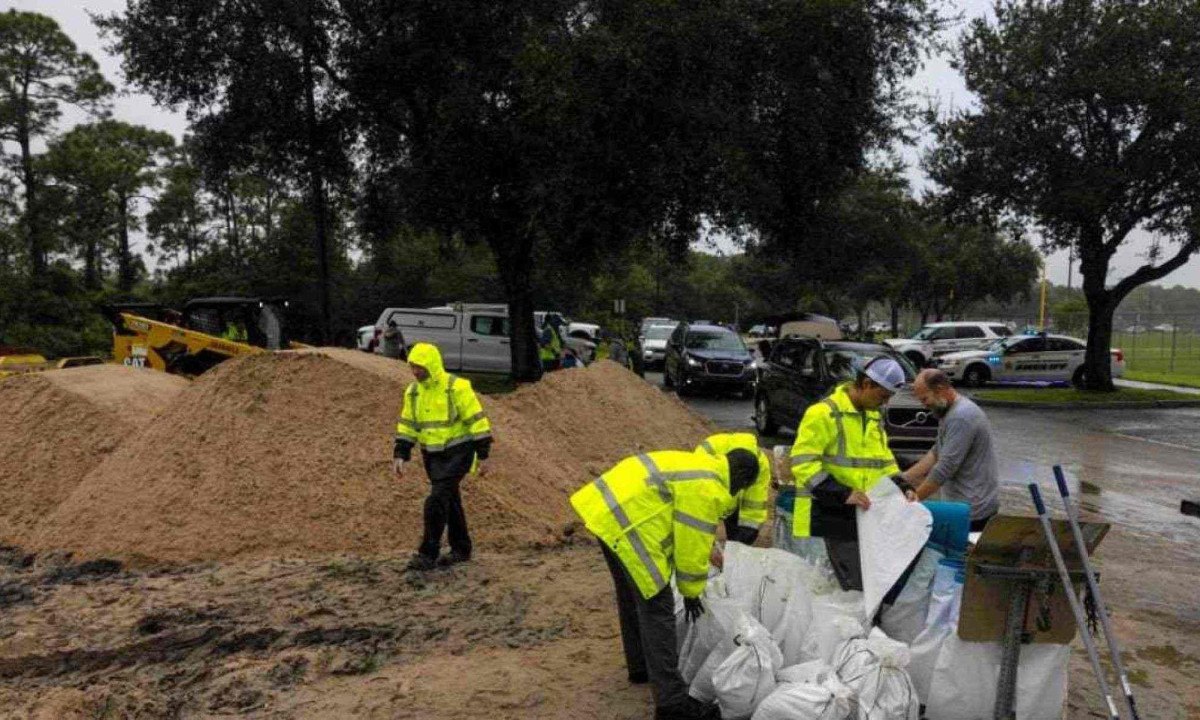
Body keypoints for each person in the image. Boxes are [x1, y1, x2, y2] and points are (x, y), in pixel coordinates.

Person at [571, 448, 760, 720]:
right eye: (742, 487)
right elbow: (689, 547)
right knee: (658, 607)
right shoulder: (708, 487)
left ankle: (640, 668)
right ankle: (671, 702)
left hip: (606, 510)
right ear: (739, 475)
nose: (736, 494)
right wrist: (692, 593)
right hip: (630, 523)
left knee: (631, 595)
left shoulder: (701, 466)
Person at [778, 356, 916, 591]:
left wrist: (902, 486)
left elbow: (882, 460)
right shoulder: (823, 413)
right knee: (850, 586)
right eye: (882, 396)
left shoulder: (872, 416)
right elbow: (803, 463)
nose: (884, 403)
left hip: (862, 513)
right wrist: (841, 493)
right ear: (866, 384)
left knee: (862, 585)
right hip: (831, 512)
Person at [393, 342, 493, 571]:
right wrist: (401, 453)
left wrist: (483, 454)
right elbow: (408, 424)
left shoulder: (456, 387)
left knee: (436, 500)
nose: (415, 372)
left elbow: (476, 420)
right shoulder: (413, 392)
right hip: (432, 456)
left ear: (432, 365)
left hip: (459, 452)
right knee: (451, 499)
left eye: (420, 367)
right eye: (412, 367)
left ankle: (427, 553)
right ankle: (461, 548)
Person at [901, 368, 1000, 532]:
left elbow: (944, 468)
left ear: (939, 389)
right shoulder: (948, 411)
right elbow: (936, 452)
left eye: (925, 399)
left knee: (956, 553)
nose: (924, 405)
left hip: (972, 510)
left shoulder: (960, 417)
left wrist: (913, 501)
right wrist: (903, 479)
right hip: (962, 504)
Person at [695, 432, 771, 546]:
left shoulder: (760, 465)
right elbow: (698, 504)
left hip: (735, 506)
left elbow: (755, 502)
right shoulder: (709, 451)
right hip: (708, 499)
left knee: (741, 536)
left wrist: (746, 534)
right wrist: (708, 546)